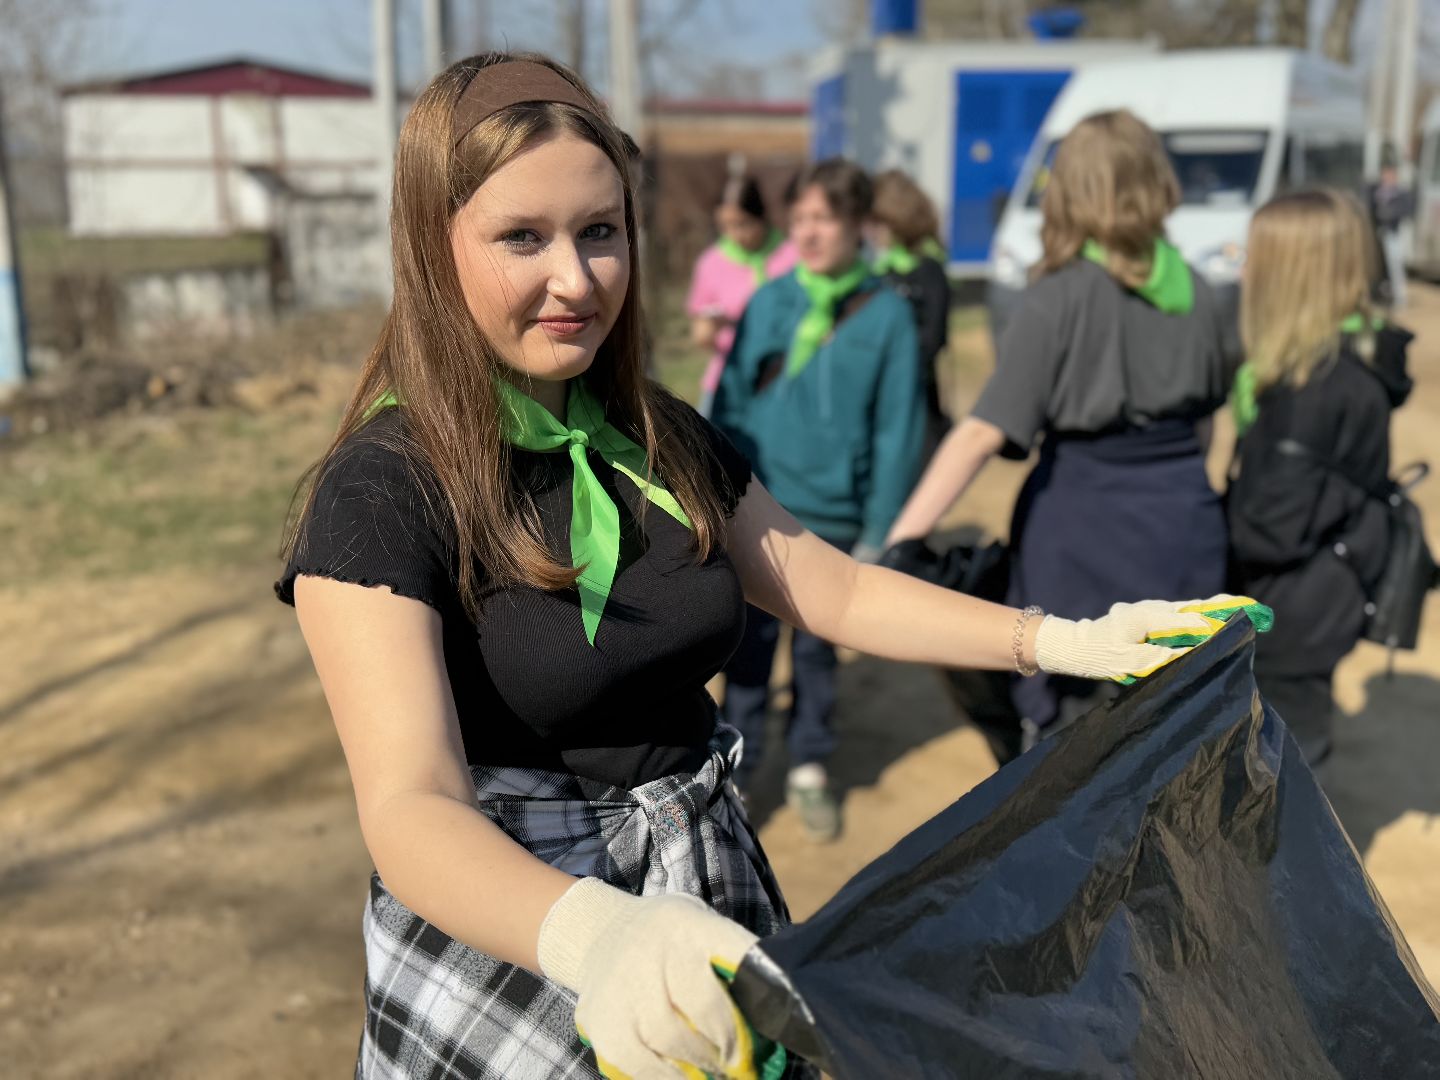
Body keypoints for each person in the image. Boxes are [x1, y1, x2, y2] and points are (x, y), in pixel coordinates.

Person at [277, 55, 1243, 1080]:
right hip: (518, 928)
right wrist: (598, 935)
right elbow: (411, 808)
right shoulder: (379, 493)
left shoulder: (661, 436)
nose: (576, 278)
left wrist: (1054, 639)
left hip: (701, 885)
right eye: (524, 236)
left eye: (600, 232)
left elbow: (834, 587)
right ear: (433, 246)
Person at [885, 110, 1237, 746]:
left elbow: (982, 432)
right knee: (1175, 725)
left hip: (1079, 534)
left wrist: (902, 542)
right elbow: (1207, 424)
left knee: (1075, 744)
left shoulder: (1057, 297)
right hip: (1185, 526)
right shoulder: (1203, 292)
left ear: (1068, 191)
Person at [709, 158, 924, 840]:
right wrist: (710, 494)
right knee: (745, 655)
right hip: (755, 511)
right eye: (798, 218)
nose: (807, 232)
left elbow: (898, 430)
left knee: (817, 658)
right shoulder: (769, 302)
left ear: (859, 225)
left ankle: (810, 767)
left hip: (833, 522)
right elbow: (727, 405)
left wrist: (880, 529)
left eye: (823, 219)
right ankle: (737, 775)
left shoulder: (890, 317)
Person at [1227, 189, 1414, 770]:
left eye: (1255, 255)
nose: (1243, 267)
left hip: (1291, 615)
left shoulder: (1309, 389)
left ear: (1290, 274)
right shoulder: (1355, 360)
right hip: (1331, 590)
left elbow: (1267, 529)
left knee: (1273, 782)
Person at [686, 174, 796, 416]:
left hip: (783, 377)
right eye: (725, 226)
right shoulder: (711, 263)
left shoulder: (791, 257)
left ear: (761, 217)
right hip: (728, 376)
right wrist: (708, 330)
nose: (735, 234)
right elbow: (700, 328)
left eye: (742, 223)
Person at [867, 168, 953, 459]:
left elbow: (934, 337)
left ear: (897, 218)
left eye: (876, 222)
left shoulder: (928, 268)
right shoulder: (880, 269)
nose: (869, 231)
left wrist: (893, 362)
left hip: (917, 400)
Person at [1367, 160, 1415, 310]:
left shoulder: (1401, 193)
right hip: (1378, 234)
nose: (1387, 177)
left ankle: (1400, 299)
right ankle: (1382, 294)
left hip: (1393, 233)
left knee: (1396, 266)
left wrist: (1388, 214)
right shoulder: (1376, 192)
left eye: (1390, 175)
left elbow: (1406, 211)